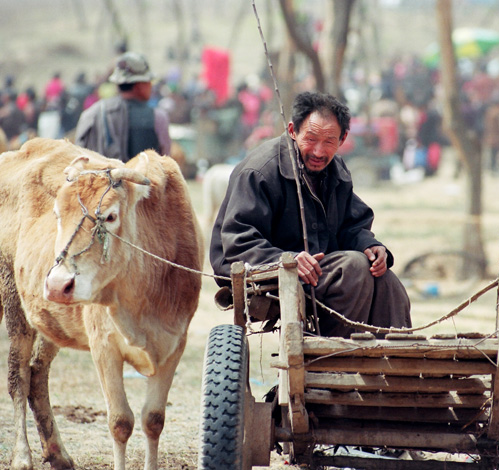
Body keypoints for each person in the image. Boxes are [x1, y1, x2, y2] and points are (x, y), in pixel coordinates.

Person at [210, 91, 412, 338]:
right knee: (354, 268)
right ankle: (332, 360)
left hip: (317, 270)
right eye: (311, 138)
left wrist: (371, 246)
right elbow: (237, 240)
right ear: (293, 131)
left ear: (343, 139)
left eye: (329, 141)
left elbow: (351, 225)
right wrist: (287, 258)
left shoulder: (336, 170)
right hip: (267, 271)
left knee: (386, 281)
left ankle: (389, 362)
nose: (318, 151)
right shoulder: (260, 172)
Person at [75, 52, 171, 162]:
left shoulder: (91, 113)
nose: (151, 86)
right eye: (149, 82)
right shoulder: (158, 118)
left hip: (99, 178)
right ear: (140, 85)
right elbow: (165, 163)